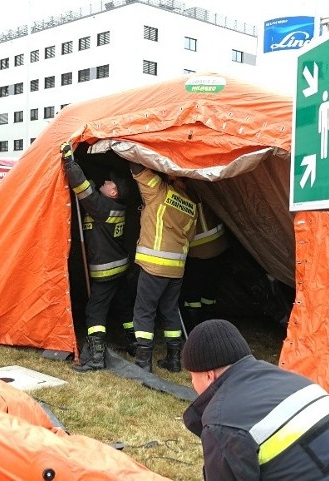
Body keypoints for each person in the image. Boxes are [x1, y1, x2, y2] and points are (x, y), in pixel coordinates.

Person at [182, 319, 329, 480]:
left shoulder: (222, 420)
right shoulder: (291, 380)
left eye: (192, 376)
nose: (192, 384)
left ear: (209, 375)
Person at [61, 142, 136, 371]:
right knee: (124, 307)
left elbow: (82, 189)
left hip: (105, 270)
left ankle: (96, 358)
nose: (104, 182)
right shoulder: (118, 207)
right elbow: (92, 191)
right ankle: (134, 343)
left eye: (109, 182)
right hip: (120, 267)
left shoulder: (102, 207)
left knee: (95, 312)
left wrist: (70, 162)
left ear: (113, 192)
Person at [129, 162, 196, 372]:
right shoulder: (191, 206)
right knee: (170, 311)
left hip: (153, 267)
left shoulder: (159, 191)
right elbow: (190, 237)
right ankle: (174, 360)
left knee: (144, 312)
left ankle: (143, 363)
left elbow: (137, 169)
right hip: (176, 269)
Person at [180, 193, 230, 332]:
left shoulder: (182, 194)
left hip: (197, 252)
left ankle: (196, 331)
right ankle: (209, 326)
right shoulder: (205, 188)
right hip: (219, 247)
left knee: (193, 296)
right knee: (209, 293)